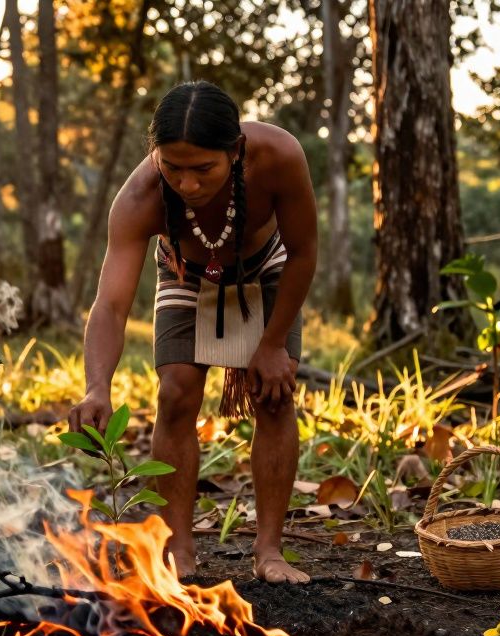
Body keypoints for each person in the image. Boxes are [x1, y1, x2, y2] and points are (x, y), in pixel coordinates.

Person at [68, 81, 317, 584]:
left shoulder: (279, 156)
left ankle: (269, 550)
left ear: (236, 150)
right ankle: (178, 548)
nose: (187, 184)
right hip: (185, 270)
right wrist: (97, 387)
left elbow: (304, 252)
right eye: (172, 167)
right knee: (176, 390)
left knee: (274, 394)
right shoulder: (140, 197)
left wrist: (271, 345)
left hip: (269, 266)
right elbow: (111, 305)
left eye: (203, 168)